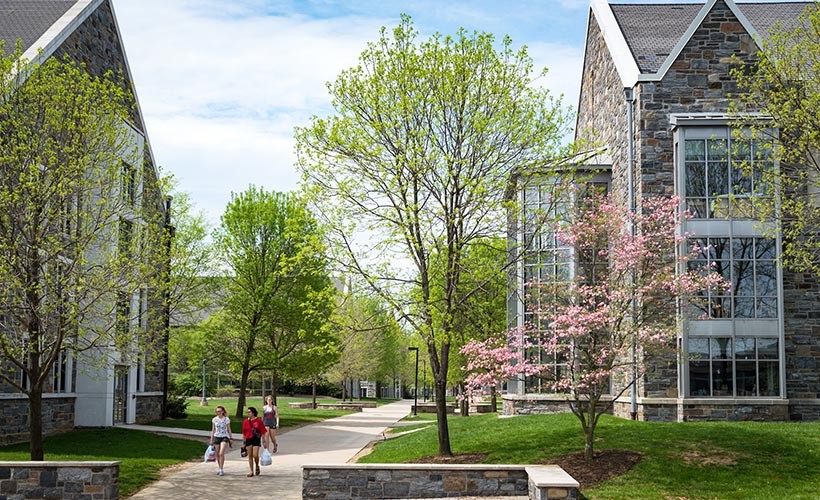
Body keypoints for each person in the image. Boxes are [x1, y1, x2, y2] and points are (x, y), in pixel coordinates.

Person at [242, 406, 266, 477]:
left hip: (256, 438)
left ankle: (257, 465)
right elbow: (244, 432)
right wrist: (243, 442)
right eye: (247, 412)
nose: (248, 413)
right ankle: (251, 471)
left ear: (253, 413)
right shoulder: (246, 421)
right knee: (250, 455)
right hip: (248, 438)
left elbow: (262, 431)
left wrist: (264, 440)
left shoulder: (258, 421)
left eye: (249, 412)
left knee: (255, 455)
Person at [209, 406, 232, 476]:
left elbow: (229, 429)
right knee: (217, 454)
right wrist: (211, 439)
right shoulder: (214, 419)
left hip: (224, 437)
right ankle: (220, 468)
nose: (218, 413)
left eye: (219, 411)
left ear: (223, 411)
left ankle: (221, 469)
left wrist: (231, 438)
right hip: (216, 437)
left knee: (221, 453)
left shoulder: (226, 419)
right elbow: (213, 430)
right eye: (217, 411)